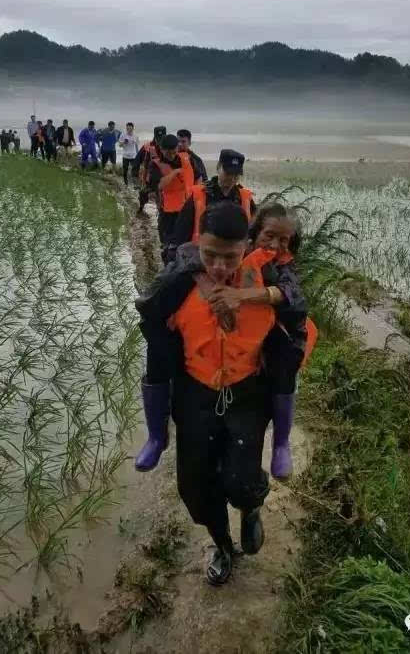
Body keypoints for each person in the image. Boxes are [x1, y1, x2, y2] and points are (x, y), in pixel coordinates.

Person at [135, 203, 277, 585]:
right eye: (209, 254)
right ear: (199, 242)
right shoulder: (178, 284)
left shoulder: (263, 282)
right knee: (195, 487)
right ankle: (223, 545)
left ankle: (250, 507)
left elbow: (296, 323)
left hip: (246, 396)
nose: (217, 265)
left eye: (229, 257)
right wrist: (157, 427)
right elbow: (156, 341)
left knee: (239, 478)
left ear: (245, 247)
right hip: (195, 396)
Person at [208, 202, 317, 478]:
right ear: (254, 233)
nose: (277, 244)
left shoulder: (285, 265)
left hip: (279, 337)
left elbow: (292, 294)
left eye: (284, 239)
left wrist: (242, 296)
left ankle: (281, 443)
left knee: (285, 362)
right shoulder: (236, 253)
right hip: (237, 338)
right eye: (269, 236)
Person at [168, 149, 256, 259]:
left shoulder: (246, 198)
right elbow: (181, 232)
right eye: (228, 173)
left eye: (236, 175)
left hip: (235, 260)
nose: (232, 179)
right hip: (201, 258)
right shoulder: (198, 196)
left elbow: (254, 233)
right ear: (218, 167)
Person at [147, 134, 197, 263]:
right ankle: (168, 270)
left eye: (174, 150)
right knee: (168, 247)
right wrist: (174, 173)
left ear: (177, 147)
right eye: (167, 151)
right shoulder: (155, 164)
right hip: (168, 213)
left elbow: (199, 176)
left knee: (187, 244)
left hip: (188, 210)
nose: (171, 154)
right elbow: (158, 185)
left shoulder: (187, 158)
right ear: (161, 149)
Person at [136, 125, 166, 213]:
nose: (160, 141)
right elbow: (145, 166)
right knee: (142, 193)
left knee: (161, 199)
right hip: (152, 179)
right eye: (158, 138)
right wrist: (144, 181)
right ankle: (141, 207)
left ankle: (160, 212)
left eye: (162, 138)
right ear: (154, 137)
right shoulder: (150, 149)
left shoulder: (170, 149)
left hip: (164, 181)